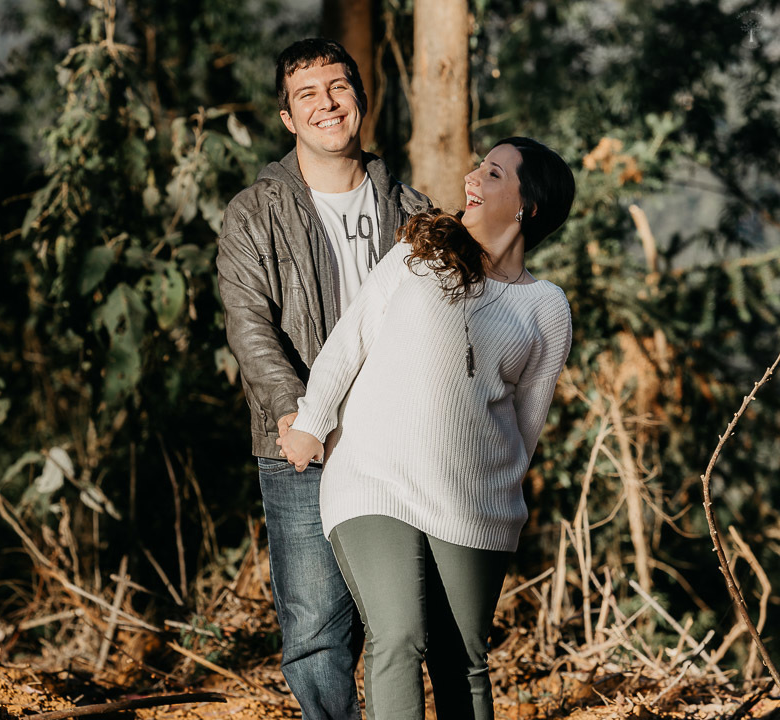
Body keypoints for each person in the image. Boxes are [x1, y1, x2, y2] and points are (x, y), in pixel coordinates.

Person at [278, 137, 576, 720]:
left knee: (461, 659)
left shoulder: (546, 306)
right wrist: (313, 423)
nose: (472, 178)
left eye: (492, 174)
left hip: (474, 503)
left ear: (527, 206)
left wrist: (497, 496)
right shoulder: (421, 255)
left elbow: (527, 424)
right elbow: (349, 340)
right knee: (398, 636)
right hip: (375, 478)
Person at [216, 38, 430, 720]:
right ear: (286, 117)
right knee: (314, 631)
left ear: (360, 102)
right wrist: (292, 410)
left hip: (396, 447)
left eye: (338, 88)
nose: (326, 104)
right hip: (300, 446)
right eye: (307, 94)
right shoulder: (255, 211)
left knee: (399, 626)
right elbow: (249, 324)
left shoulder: (413, 211)